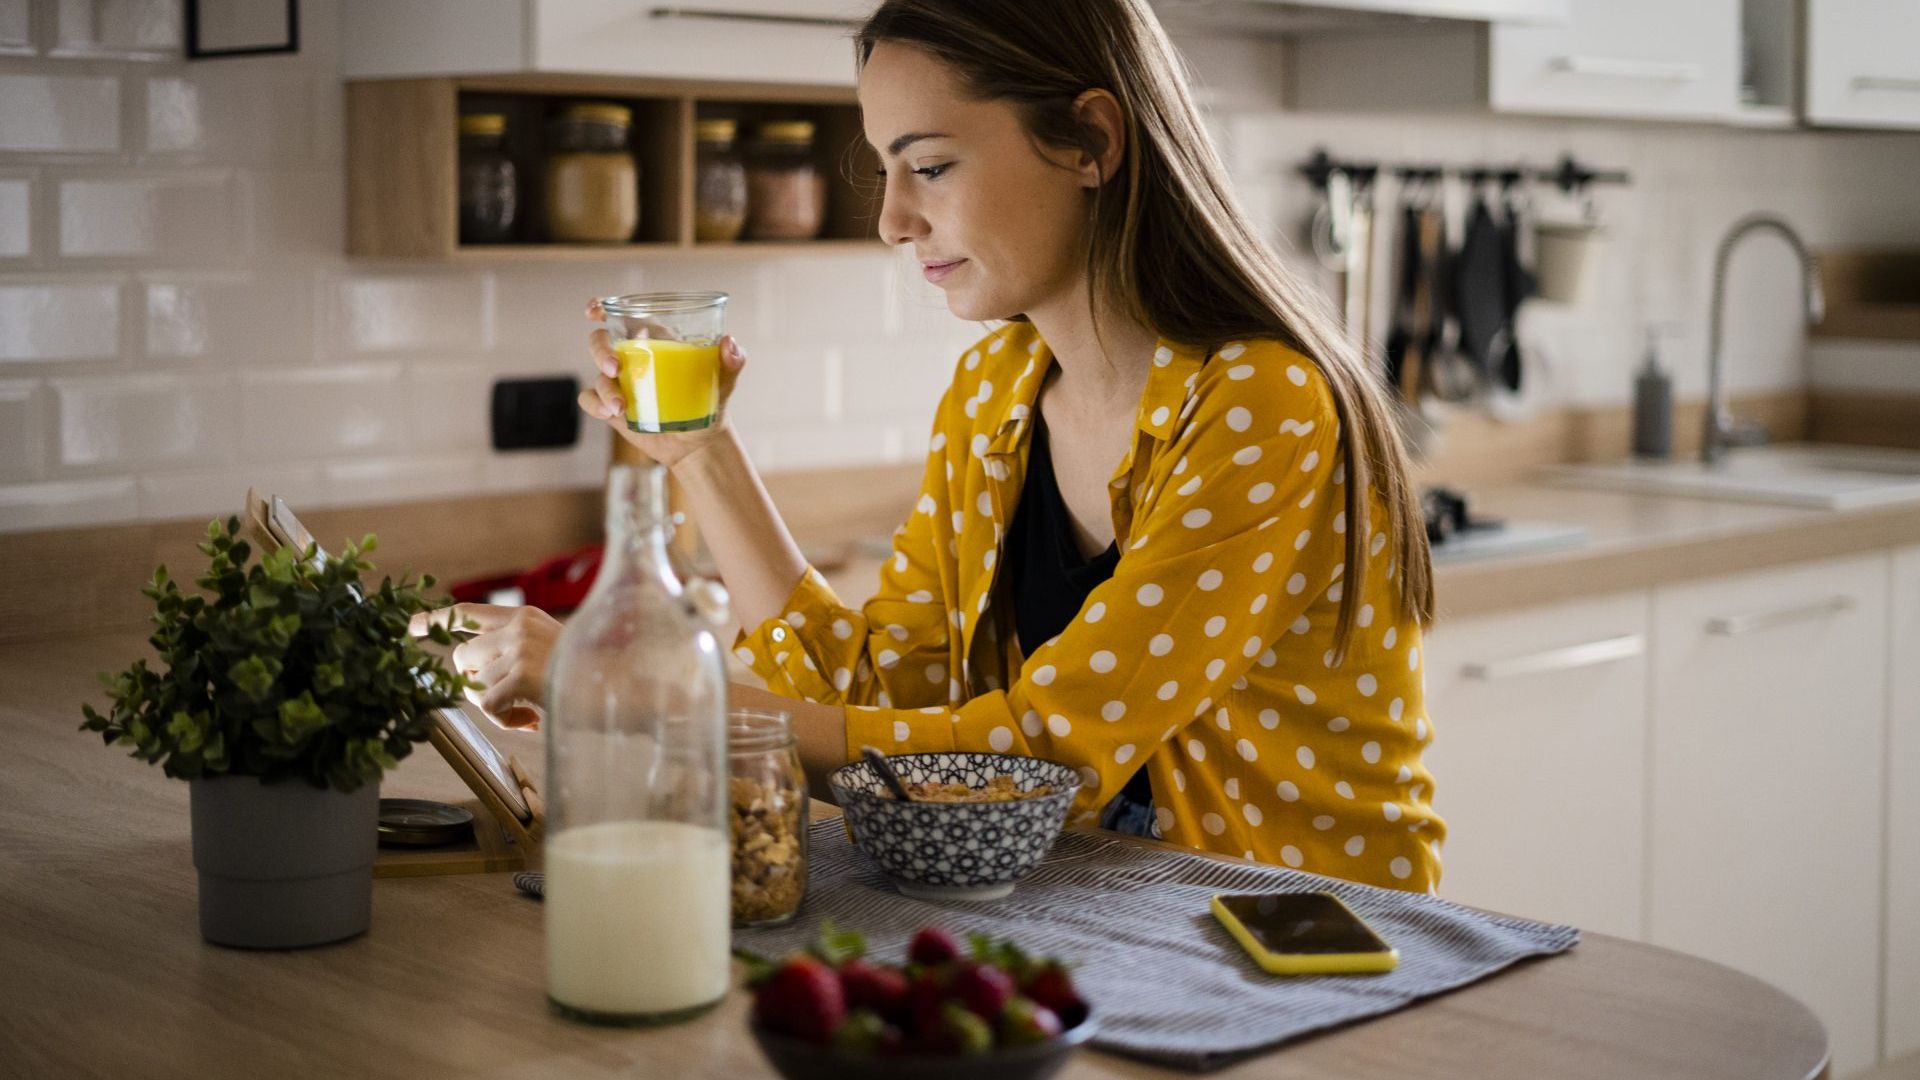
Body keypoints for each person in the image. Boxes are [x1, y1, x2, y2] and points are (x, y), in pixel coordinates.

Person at [413, 0, 1444, 892]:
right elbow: (872, 694)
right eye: (885, 172)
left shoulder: (1261, 403)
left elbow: (1042, 751)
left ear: (1091, 141)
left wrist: (625, 687)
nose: (895, 221)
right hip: (1111, 915)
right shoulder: (997, 392)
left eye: (932, 166)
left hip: (1302, 942)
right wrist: (699, 452)